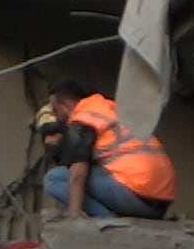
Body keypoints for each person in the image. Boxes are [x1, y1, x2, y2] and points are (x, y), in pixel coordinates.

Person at [37, 84, 175, 219]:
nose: (59, 118)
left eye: (56, 111)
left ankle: (107, 219)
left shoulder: (83, 119)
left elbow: (78, 173)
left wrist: (74, 213)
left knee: (54, 178)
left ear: (64, 105)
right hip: (160, 202)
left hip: (138, 196)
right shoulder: (109, 109)